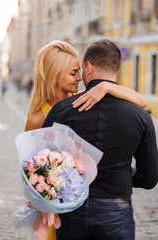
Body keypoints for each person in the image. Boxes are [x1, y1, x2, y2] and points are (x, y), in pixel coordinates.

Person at [24, 40, 149, 239]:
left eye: (78, 71)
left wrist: (106, 87)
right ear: (55, 77)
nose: (80, 79)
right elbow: (30, 166)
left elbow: (142, 102)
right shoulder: (40, 117)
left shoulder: (83, 100)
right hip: (56, 204)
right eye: (73, 73)